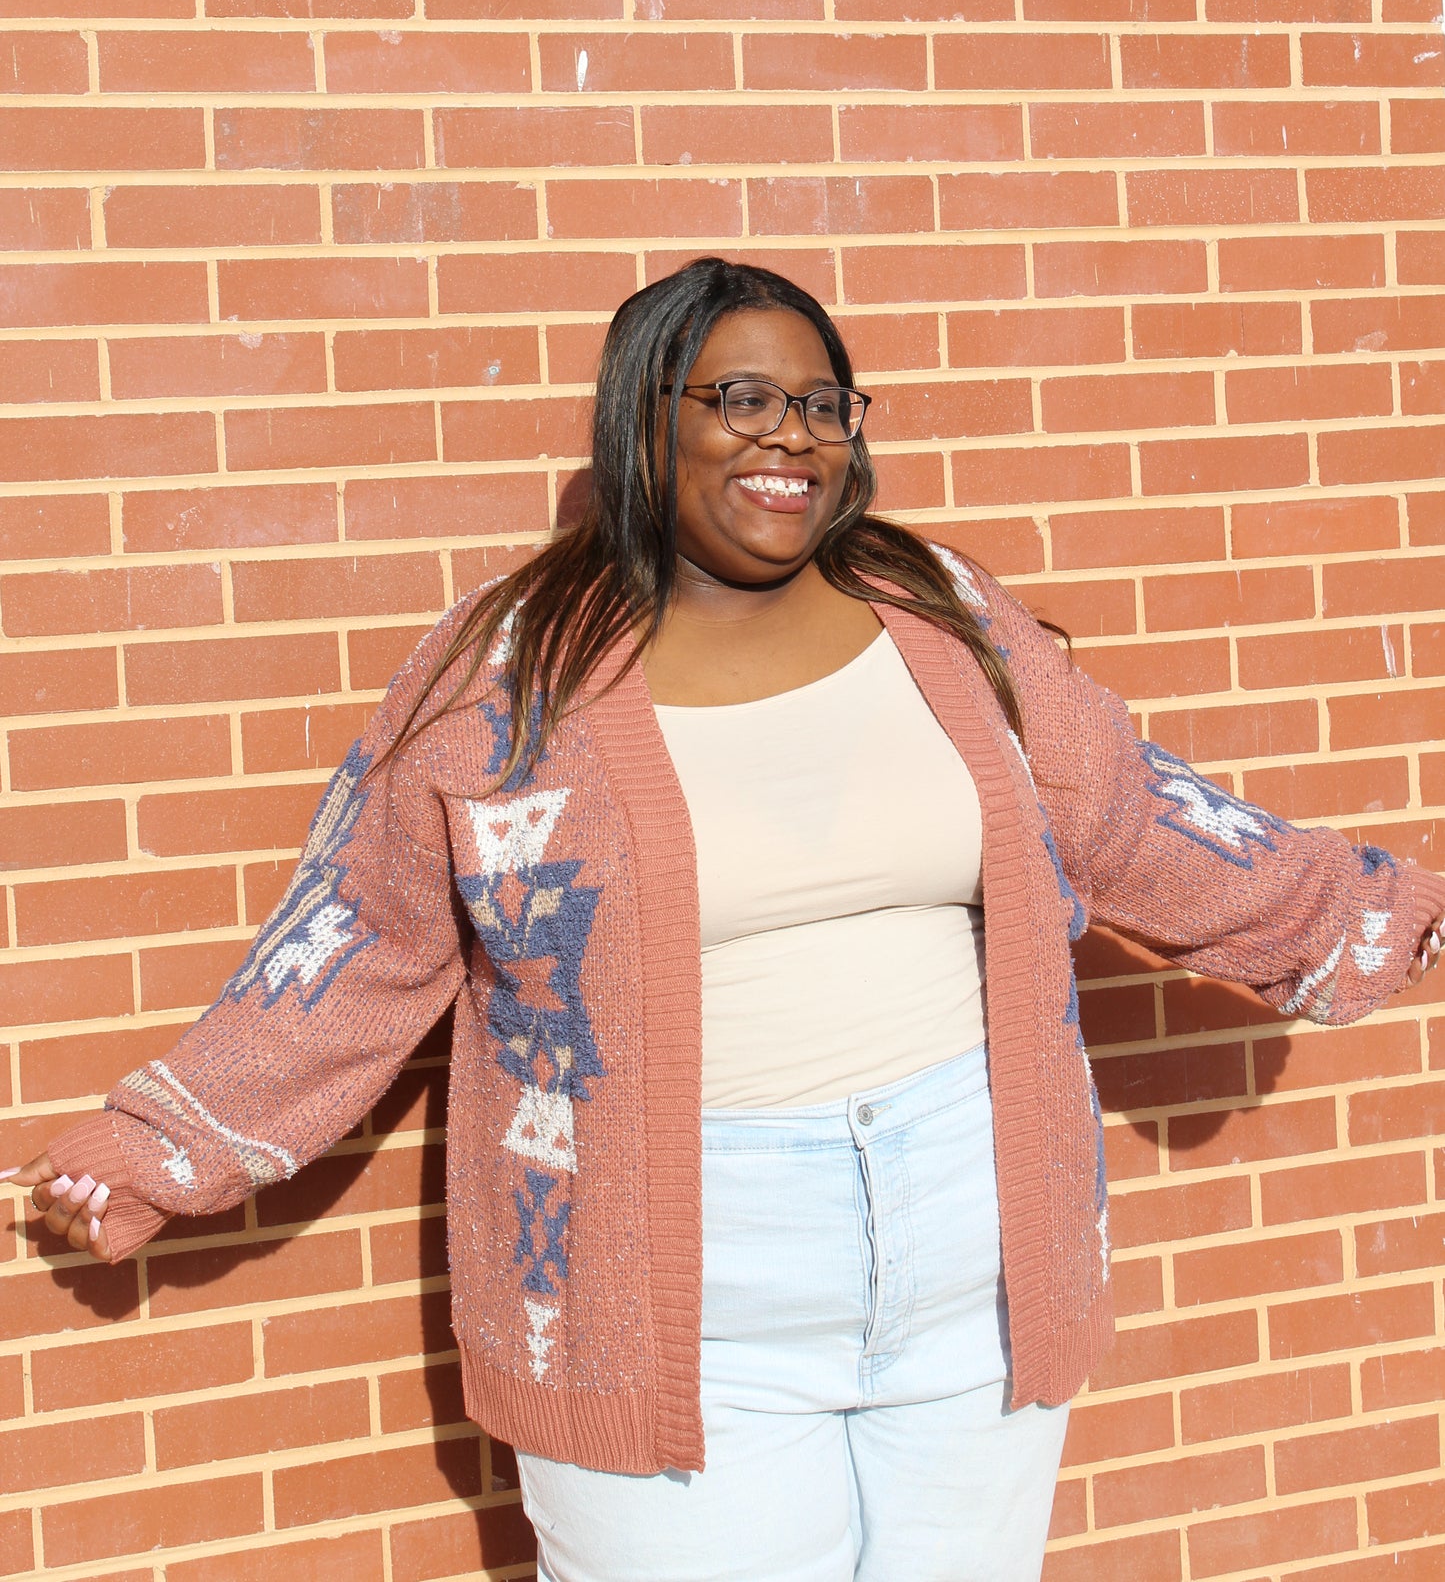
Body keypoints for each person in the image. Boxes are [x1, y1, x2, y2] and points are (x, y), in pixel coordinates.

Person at [9, 256, 1445, 1582]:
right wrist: (162, 1150)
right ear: (645, 421)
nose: (791, 439)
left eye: (821, 404)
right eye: (743, 399)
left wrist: (1378, 913)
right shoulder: (514, 676)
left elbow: (1131, 816)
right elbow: (364, 936)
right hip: (667, 1279)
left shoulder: (937, 614)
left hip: (973, 1243)